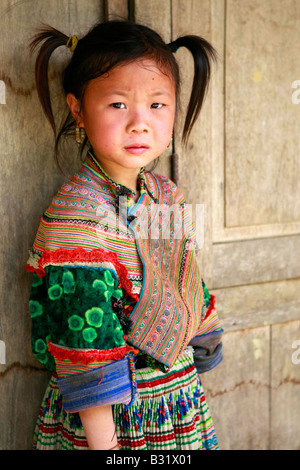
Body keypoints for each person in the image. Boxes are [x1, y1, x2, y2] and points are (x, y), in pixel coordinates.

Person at [25, 19, 223, 451]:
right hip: (114, 423)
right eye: (117, 105)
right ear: (77, 109)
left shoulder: (164, 195)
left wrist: (203, 335)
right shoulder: (77, 220)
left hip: (175, 403)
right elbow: (83, 344)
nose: (140, 123)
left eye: (157, 105)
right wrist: (106, 446)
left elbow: (183, 278)